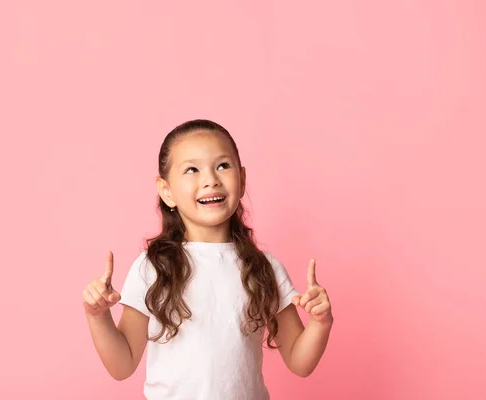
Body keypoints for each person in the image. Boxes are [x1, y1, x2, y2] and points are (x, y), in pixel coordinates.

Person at [82, 119, 333, 399]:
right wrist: (98, 316)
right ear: (166, 191)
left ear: (242, 179)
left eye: (223, 166)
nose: (210, 179)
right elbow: (122, 365)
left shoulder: (265, 268)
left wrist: (320, 323)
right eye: (192, 169)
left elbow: (300, 362)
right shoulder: (152, 267)